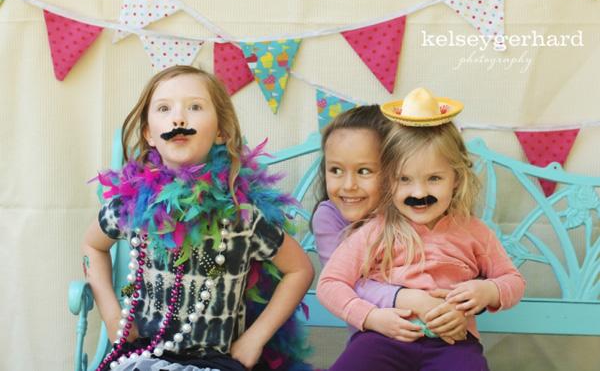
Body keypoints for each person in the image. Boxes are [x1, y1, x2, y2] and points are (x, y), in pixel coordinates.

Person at [82, 65, 314, 371]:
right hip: (146, 355)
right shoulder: (132, 206)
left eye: (194, 107)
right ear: (149, 134)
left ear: (221, 132)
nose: (179, 119)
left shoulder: (241, 214)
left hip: (215, 360)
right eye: (164, 108)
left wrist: (255, 338)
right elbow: (92, 245)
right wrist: (113, 315)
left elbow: (299, 269)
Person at [317, 88, 526, 371]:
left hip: (452, 342)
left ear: (456, 178)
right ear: (388, 180)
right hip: (384, 337)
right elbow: (330, 284)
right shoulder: (377, 230)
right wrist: (372, 318)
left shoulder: (474, 232)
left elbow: (512, 281)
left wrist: (486, 291)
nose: (419, 192)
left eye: (434, 178)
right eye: (404, 179)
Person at [312, 105, 469, 344]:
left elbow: (463, 268)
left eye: (364, 171)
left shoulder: (418, 210)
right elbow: (343, 283)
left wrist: (467, 301)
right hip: (374, 337)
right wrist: (407, 298)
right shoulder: (329, 217)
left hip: (439, 338)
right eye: (335, 170)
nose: (348, 185)